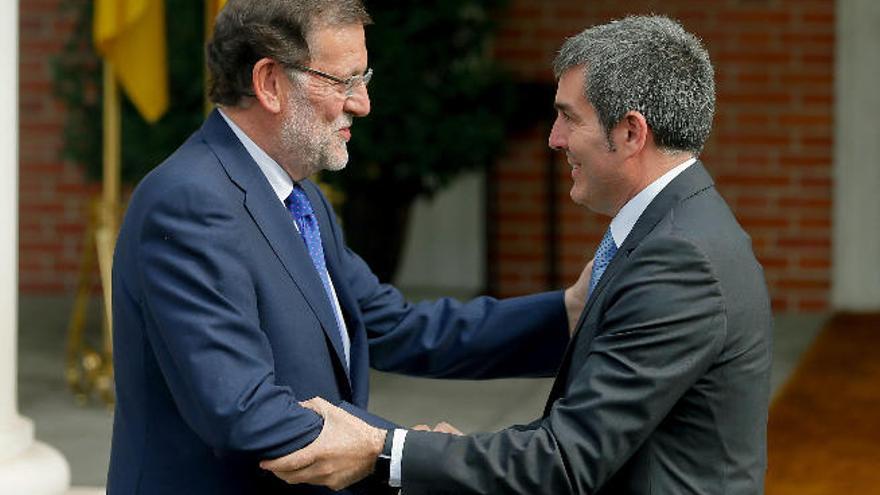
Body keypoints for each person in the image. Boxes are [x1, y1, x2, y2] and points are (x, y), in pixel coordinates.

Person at [262, 15, 773, 494]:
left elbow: (567, 460)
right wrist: (450, 452)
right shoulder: (672, 229)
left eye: (569, 119)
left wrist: (387, 450)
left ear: (631, 133)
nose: (554, 140)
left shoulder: (679, 260)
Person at [107, 1, 592, 494]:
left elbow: (393, 327)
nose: (362, 103)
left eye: (364, 79)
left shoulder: (298, 196)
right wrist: (401, 454)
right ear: (270, 82)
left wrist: (567, 315)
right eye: (344, 81)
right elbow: (241, 409)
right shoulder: (189, 202)